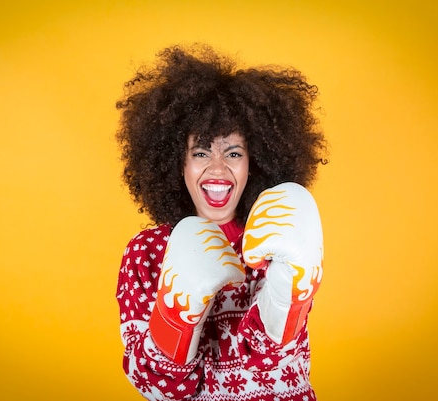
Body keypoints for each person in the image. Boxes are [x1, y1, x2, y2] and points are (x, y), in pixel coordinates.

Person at [115, 43, 328, 401]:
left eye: (233, 153)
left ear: (254, 163)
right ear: (176, 163)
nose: (217, 168)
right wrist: (175, 318)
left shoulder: (278, 235)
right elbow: (158, 390)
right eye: (200, 152)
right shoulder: (146, 252)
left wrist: (286, 299)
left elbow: (275, 364)